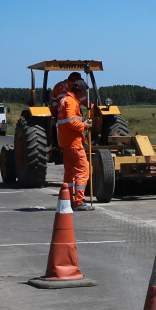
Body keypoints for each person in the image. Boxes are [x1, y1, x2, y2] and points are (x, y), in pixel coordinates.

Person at [58, 79, 94, 211]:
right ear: (79, 91)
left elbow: (68, 120)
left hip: (66, 142)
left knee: (69, 173)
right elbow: (71, 121)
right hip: (74, 143)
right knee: (83, 171)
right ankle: (78, 201)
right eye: (83, 93)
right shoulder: (71, 102)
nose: (83, 96)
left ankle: (67, 199)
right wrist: (85, 125)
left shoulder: (63, 100)